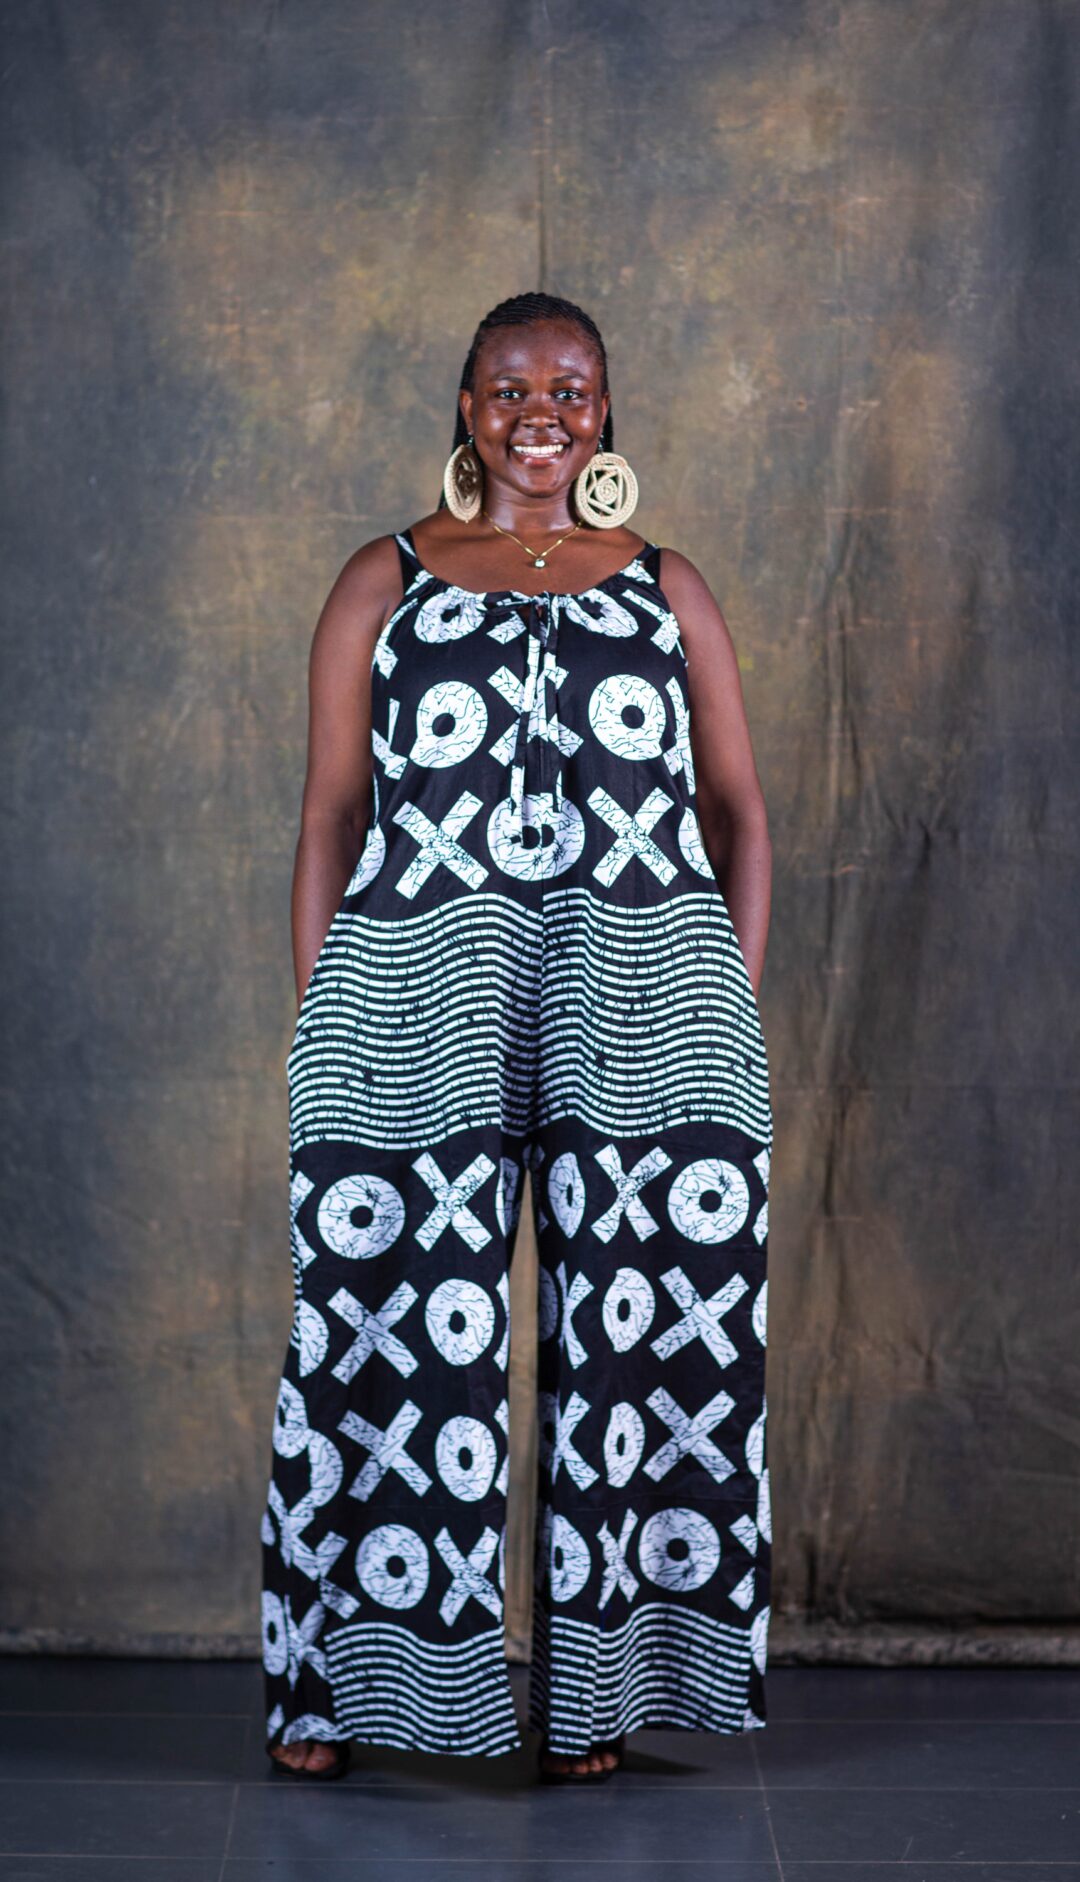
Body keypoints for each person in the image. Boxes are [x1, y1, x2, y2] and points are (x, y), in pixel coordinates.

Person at [261, 291, 773, 1784]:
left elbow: (740, 812)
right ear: (466, 407)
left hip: (648, 1009)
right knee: (382, 1338)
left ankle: (604, 1693)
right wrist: (324, 1006)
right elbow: (330, 816)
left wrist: (723, 999)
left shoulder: (667, 587)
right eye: (509, 387)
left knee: (638, 1345)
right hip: (412, 1003)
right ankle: (337, 1690)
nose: (538, 414)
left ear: (605, 412)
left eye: (569, 388)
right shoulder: (384, 578)